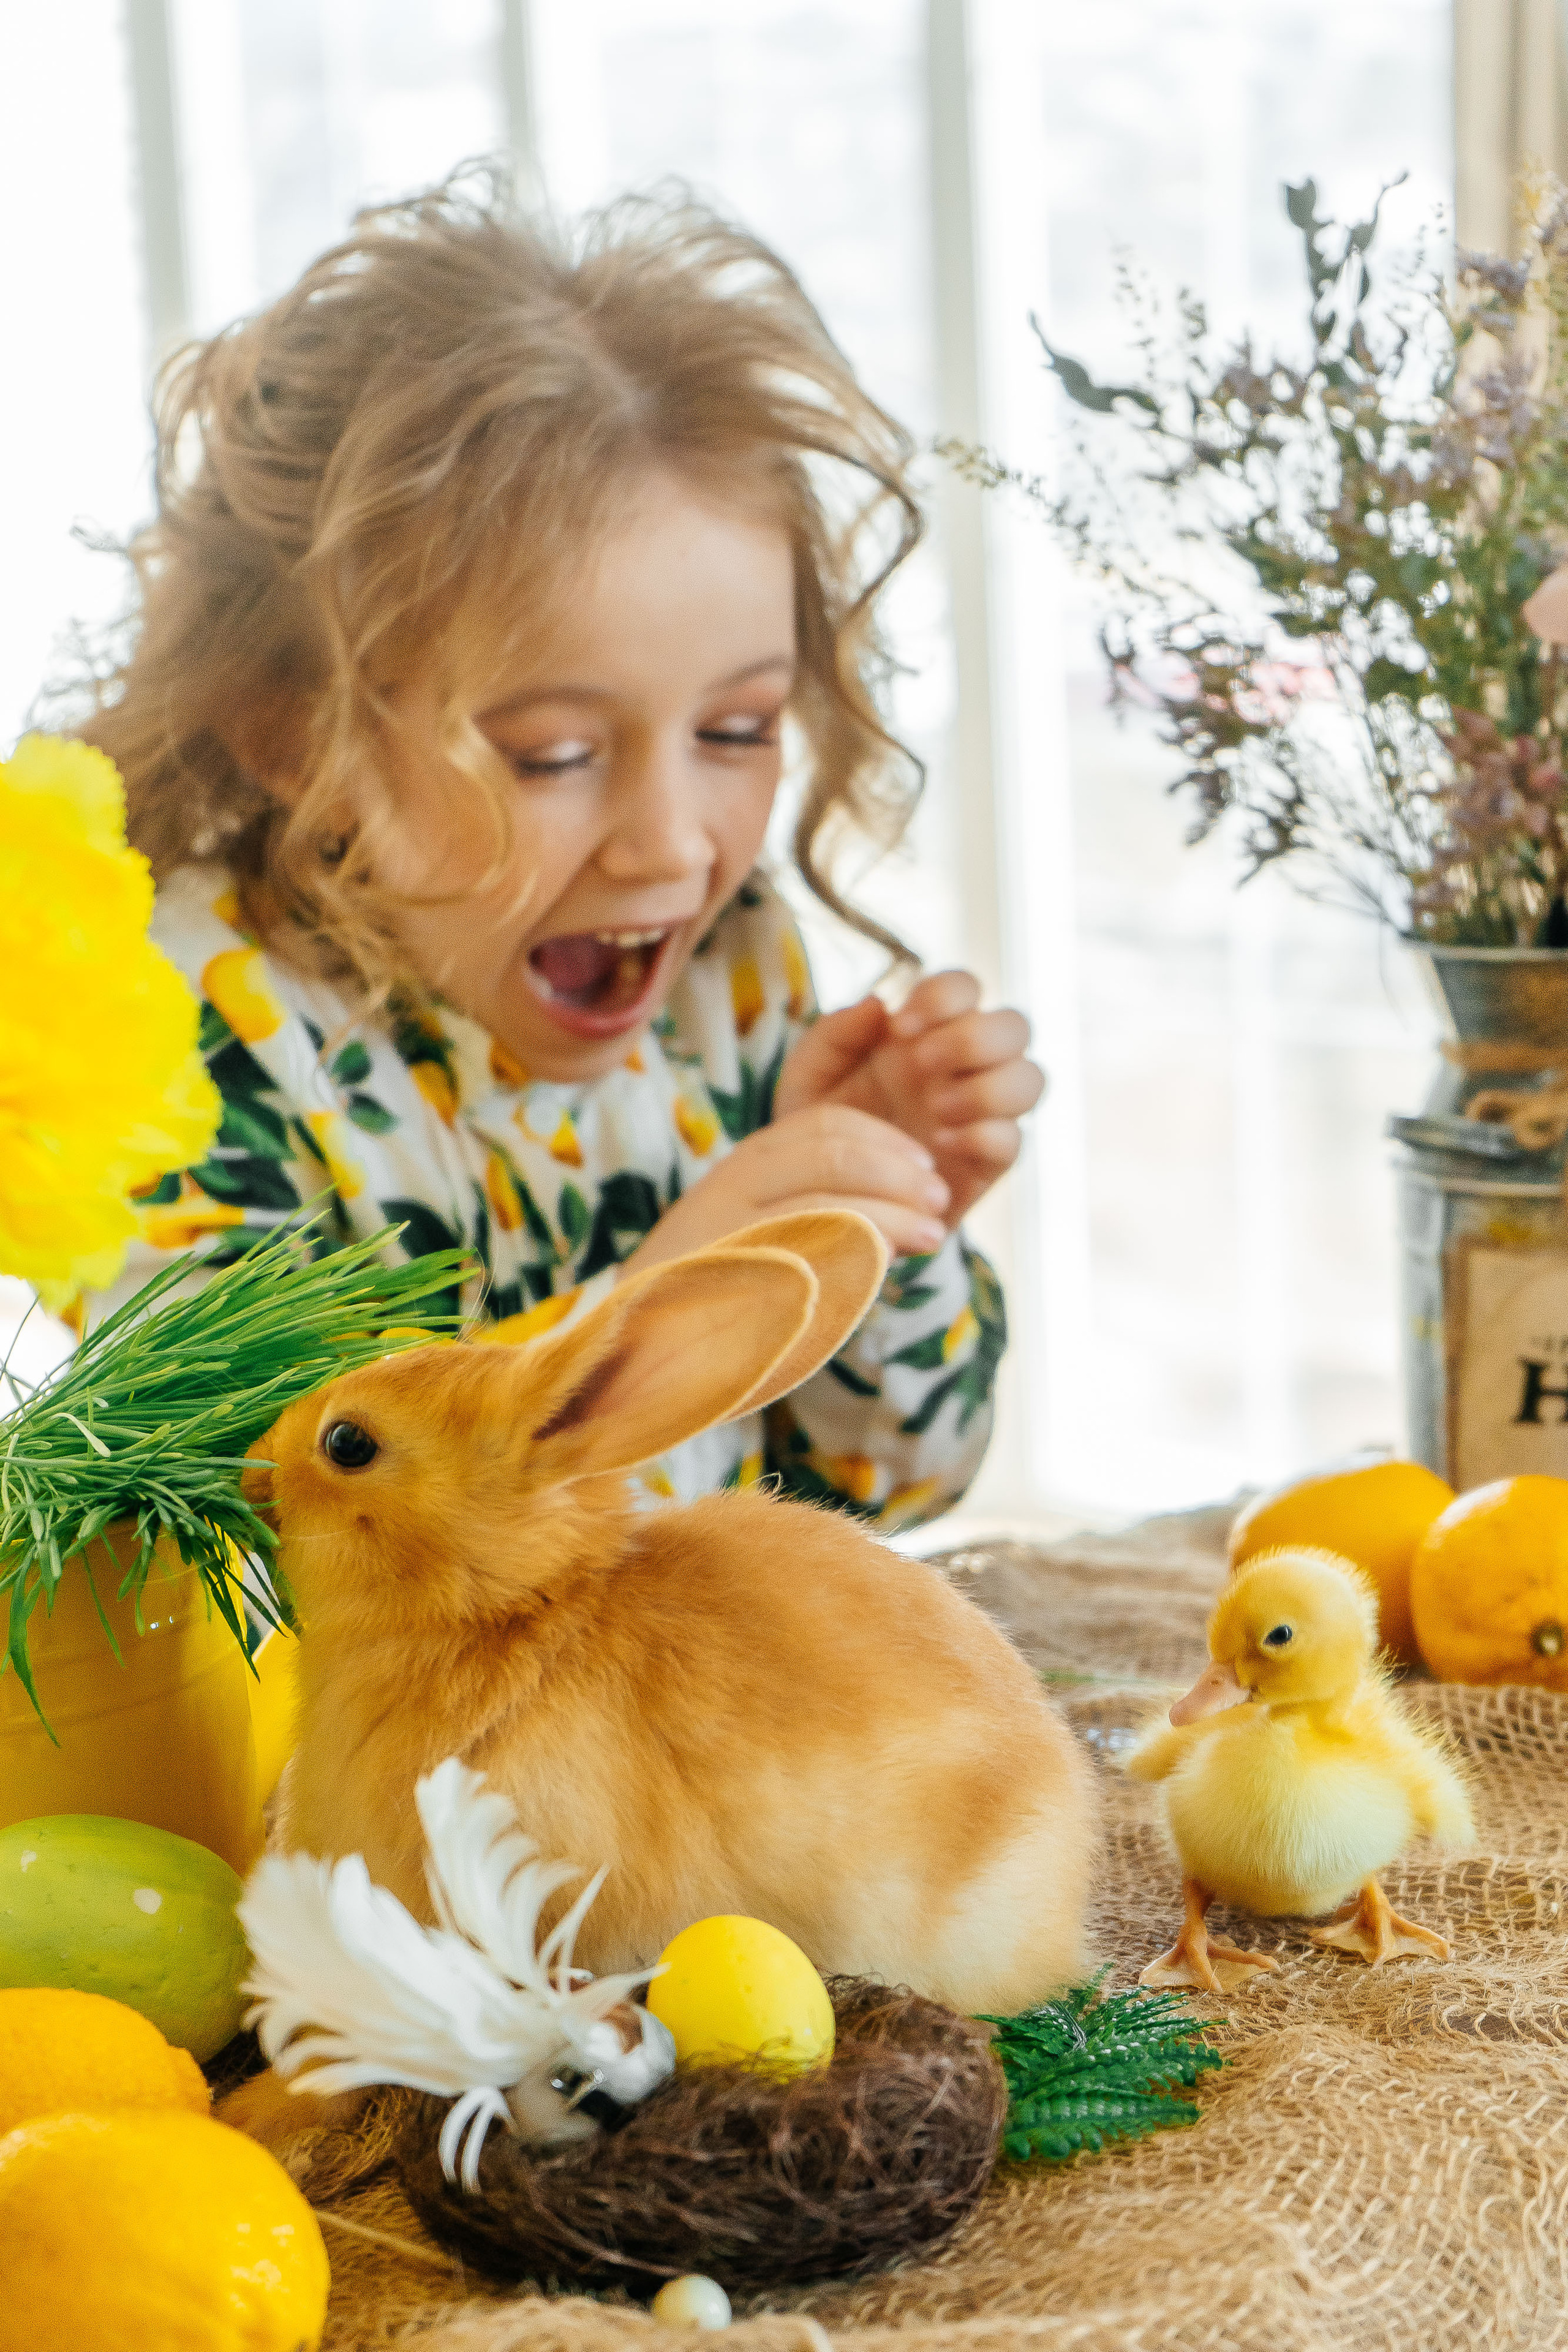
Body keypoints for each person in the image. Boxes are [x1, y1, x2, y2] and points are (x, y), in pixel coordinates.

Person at [84, 171, 1042, 1528]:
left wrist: (862, 1225)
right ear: (292, 734)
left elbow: (884, 1485)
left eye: (737, 728)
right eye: (552, 756)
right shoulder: (172, 1044)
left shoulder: (728, 971)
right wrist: (670, 1317)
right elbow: (295, 1565)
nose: (668, 848)